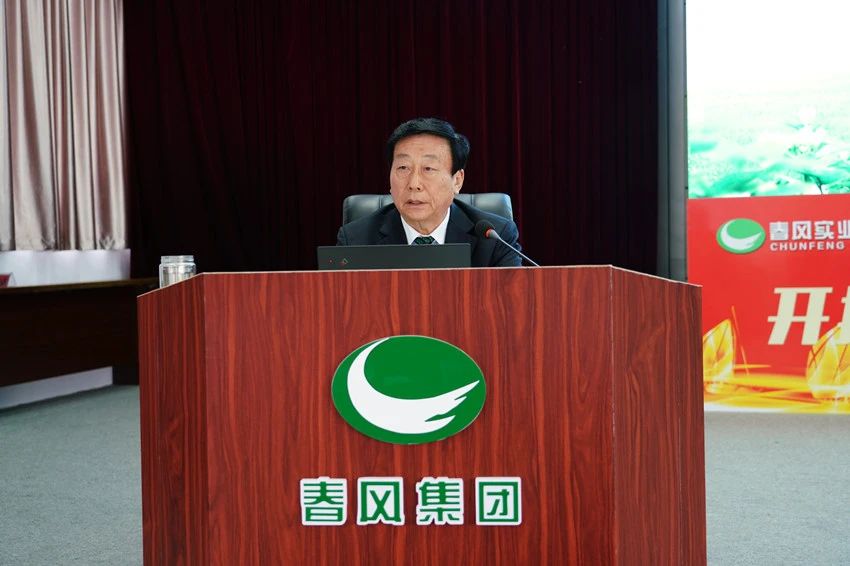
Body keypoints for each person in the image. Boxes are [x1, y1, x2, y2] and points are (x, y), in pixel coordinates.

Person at [336, 117, 522, 267]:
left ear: (457, 180)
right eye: (403, 167)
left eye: (428, 169)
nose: (414, 184)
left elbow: (512, 300)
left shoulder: (495, 238)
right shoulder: (356, 241)